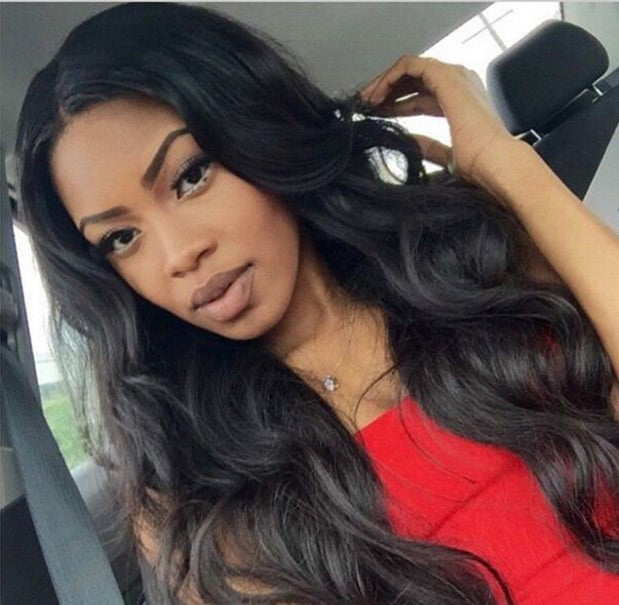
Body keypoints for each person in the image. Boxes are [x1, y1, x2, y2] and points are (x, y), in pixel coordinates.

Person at [14, 3, 619, 604]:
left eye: (191, 176)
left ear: (258, 131)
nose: (178, 255)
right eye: (122, 238)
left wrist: (501, 162)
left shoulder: (467, 259)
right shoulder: (190, 485)